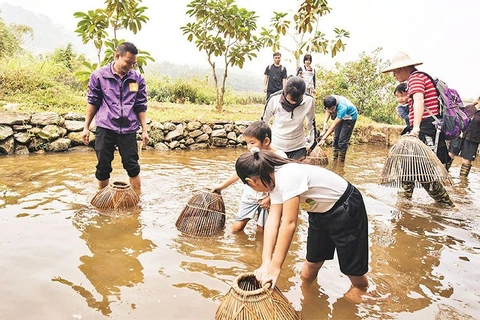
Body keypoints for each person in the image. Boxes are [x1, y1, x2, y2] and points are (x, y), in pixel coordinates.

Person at [235, 148, 370, 300]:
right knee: (309, 268)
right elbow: (273, 221)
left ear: (251, 182)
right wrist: (266, 263)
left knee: (353, 272)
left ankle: (364, 292)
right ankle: (308, 303)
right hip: (319, 212)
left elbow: (289, 223)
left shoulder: (287, 176)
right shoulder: (273, 182)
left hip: (345, 208)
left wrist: (275, 268)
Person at [382, 51, 453, 205]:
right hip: (426, 126)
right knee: (409, 165)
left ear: (403, 69)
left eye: (395, 71)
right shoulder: (418, 77)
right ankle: (404, 202)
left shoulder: (415, 78)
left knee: (423, 170)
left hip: (425, 127)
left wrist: (415, 128)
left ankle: (445, 204)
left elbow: (419, 101)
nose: (394, 75)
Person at [81, 42, 149, 191]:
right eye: (128, 62)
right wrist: (86, 127)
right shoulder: (99, 76)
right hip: (105, 128)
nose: (131, 66)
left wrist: (144, 129)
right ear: (117, 56)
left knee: (133, 167)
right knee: (103, 167)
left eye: (133, 64)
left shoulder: (137, 79)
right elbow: (93, 102)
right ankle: (102, 200)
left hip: (129, 129)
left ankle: (137, 204)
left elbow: (140, 105)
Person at [212, 121, 287, 232]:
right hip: (250, 196)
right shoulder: (252, 155)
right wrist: (222, 186)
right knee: (236, 228)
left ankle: (259, 248)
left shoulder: (279, 157)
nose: (249, 147)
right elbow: (240, 173)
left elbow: (284, 182)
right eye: (247, 143)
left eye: (252, 143)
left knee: (263, 230)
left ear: (266, 141)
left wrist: (269, 198)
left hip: (269, 198)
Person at [262, 76, 317, 161]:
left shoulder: (309, 100)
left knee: (296, 172)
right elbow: (264, 122)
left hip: (298, 147)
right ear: (285, 91)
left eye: (297, 100)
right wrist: (265, 144)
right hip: (276, 146)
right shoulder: (274, 99)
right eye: (291, 99)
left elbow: (311, 122)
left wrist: (312, 144)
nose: (293, 102)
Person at [319, 95, 358, 162]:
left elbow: (333, 126)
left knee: (342, 141)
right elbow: (328, 110)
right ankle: (334, 159)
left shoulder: (342, 107)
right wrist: (325, 123)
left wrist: (323, 138)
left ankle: (340, 163)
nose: (331, 111)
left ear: (335, 106)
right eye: (329, 109)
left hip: (350, 118)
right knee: (336, 139)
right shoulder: (329, 100)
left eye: (332, 109)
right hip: (340, 116)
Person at [448, 96, 480, 177]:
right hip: (459, 135)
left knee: (466, 161)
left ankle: (463, 181)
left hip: (472, 139)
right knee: (451, 154)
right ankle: (444, 174)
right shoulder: (469, 108)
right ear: (478, 100)